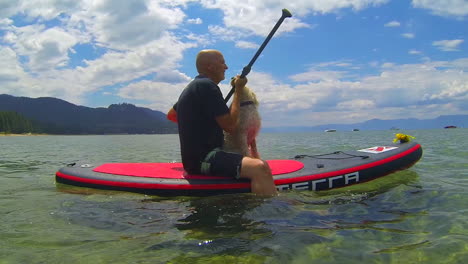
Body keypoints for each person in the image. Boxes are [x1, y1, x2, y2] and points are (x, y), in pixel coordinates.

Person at [167, 49, 277, 195]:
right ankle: (269, 213)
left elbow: (171, 115)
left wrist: (200, 122)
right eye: (222, 62)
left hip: (193, 161)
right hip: (205, 159)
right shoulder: (208, 86)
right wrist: (238, 89)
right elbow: (231, 126)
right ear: (210, 67)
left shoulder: (193, 87)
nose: (226, 67)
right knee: (259, 167)